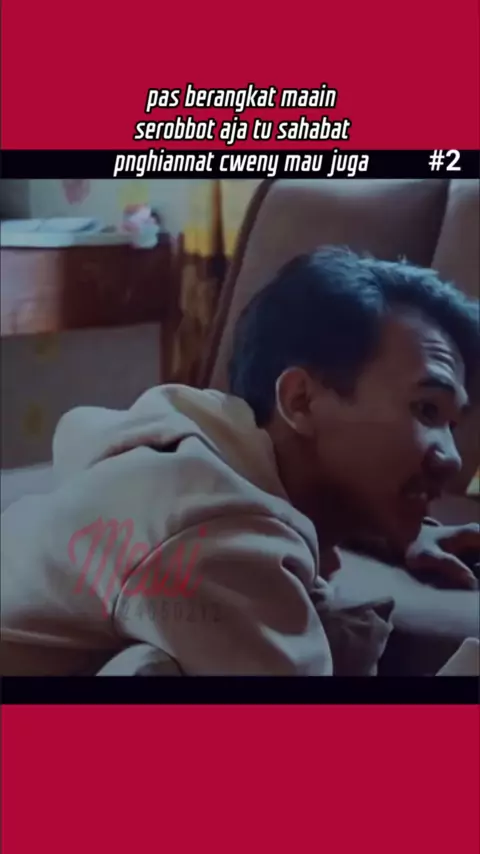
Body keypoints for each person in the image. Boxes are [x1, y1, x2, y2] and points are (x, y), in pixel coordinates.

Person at [1, 247, 479, 676]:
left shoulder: (185, 445)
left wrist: (392, 526)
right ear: (301, 401)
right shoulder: (213, 542)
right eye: (426, 410)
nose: (453, 459)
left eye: (452, 424)